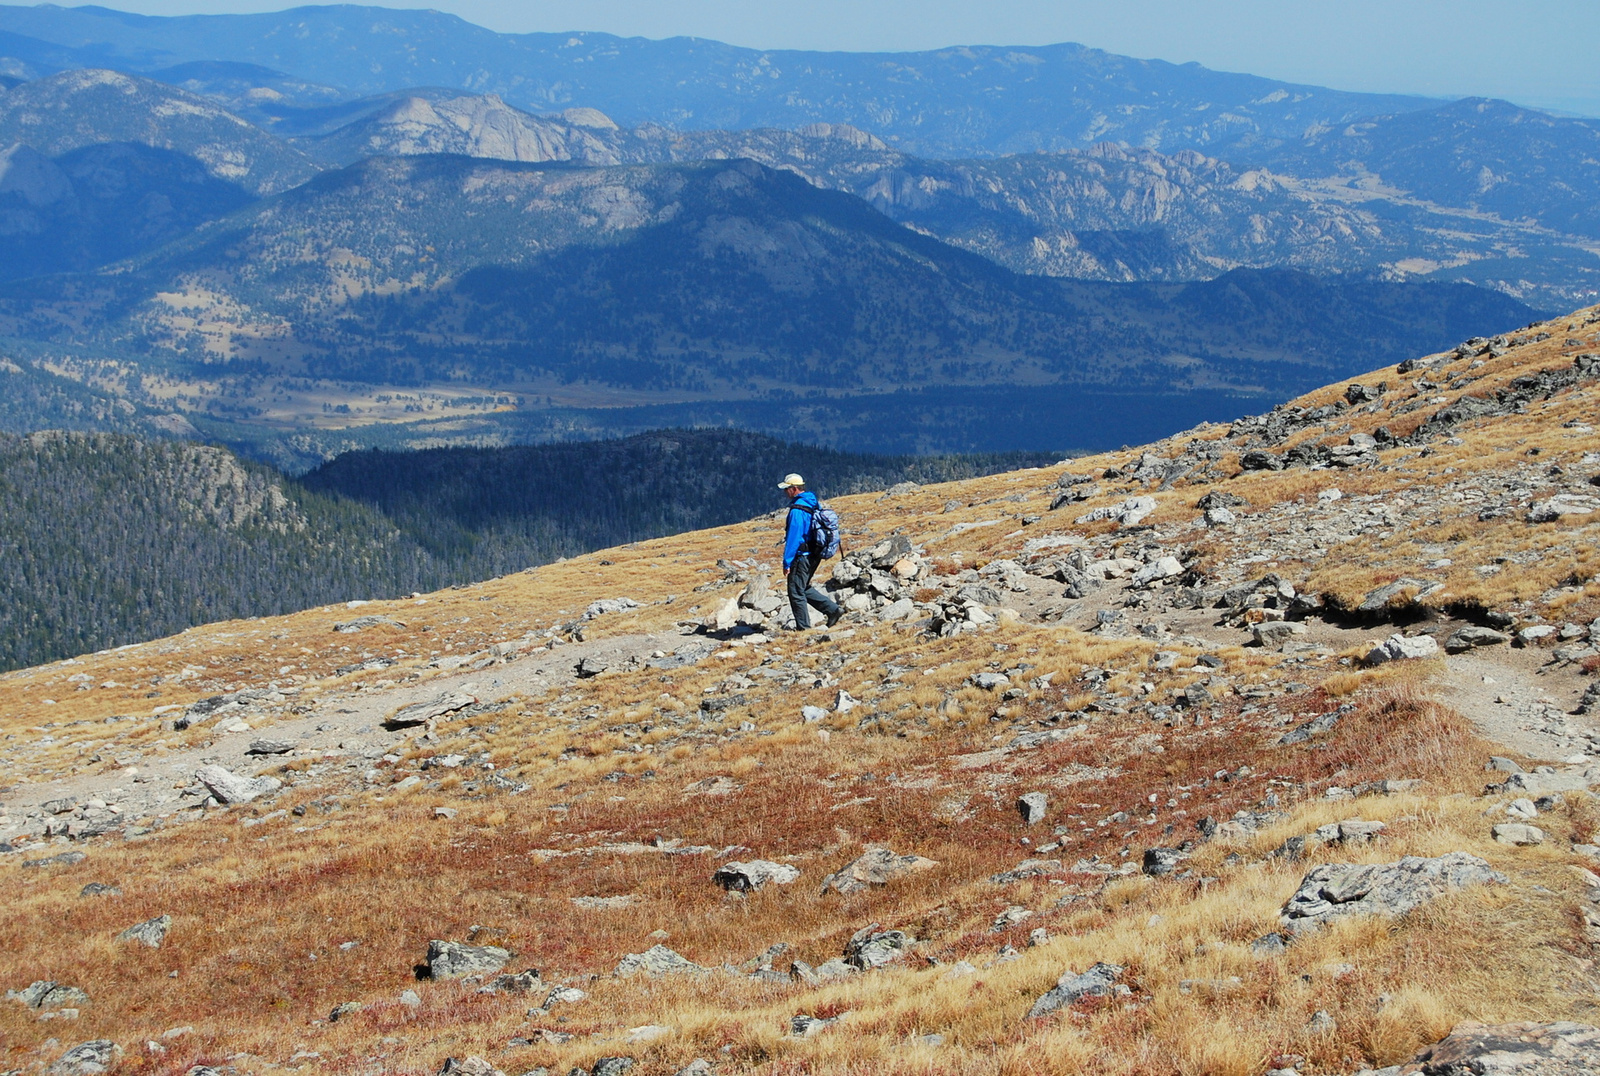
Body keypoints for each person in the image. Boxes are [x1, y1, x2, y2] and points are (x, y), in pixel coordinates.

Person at [778, 473, 844, 631]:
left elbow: (794, 538)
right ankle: (833, 610)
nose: (784, 492)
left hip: (802, 556)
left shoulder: (797, 510)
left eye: (786, 489)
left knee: (795, 591)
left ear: (794, 489)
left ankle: (804, 629)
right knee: (803, 587)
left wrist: (787, 562)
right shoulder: (813, 503)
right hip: (815, 553)